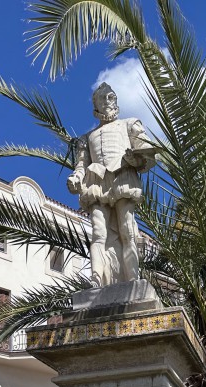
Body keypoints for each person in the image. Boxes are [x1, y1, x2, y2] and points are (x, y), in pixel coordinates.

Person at [67, 82, 155, 287]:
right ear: (95, 104)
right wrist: (76, 178)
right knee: (98, 233)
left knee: (127, 230)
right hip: (97, 182)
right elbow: (81, 165)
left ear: (116, 101)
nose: (107, 101)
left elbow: (147, 154)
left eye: (111, 97)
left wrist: (135, 159)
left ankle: (132, 279)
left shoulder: (130, 124)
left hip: (122, 177)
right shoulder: (86, 138)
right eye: (102, 98)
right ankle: (96, 278)